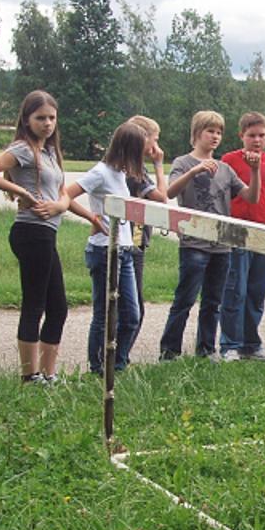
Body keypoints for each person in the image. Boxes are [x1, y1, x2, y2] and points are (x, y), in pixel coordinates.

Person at [0, 90, 102, 384]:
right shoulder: (23, 149)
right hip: (31, 233)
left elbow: (62, 196)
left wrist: (80, 213)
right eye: (40, 118)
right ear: (27, 120)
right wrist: (21, 193)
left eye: (52, 118)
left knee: (58, 308)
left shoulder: (49, 152)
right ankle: (29, 376)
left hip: (47, 233)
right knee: (35, 303)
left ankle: (48, 374)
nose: (47, 123)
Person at [62, 121, 163, 374]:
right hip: (104, 250)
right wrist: (91, 217)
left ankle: (117, 364)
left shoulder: (121, 173)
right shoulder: (101, 172)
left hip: (126, 249)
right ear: (128, 149)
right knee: (105, 313)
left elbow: (160, 199)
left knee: (132, 315)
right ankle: (98, 368)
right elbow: (65, 194)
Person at [159, 111, 258, 361]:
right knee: (185, 299)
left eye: (219, 132)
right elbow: (169, 193)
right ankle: (170, 351)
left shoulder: (225, 169)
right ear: (196, 134)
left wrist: (254, 171)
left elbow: (251, 197)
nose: (215, 136)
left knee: (213, 302)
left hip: (221, 245)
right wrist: (195, 172)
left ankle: (206, 350)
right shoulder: (183, 162)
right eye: (210, 131)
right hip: (194, 244)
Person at [219, 112, 265, 361]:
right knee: (235, 290)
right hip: (237, 233)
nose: (257, 140)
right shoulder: (229, 160)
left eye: (261, 135)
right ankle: (230, 344)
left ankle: (251, 342)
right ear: (242, 136)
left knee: (257, 291)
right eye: (252, 135)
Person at [125, 115, 169, 327]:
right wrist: (159, 164)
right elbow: (162, 197)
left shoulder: (134, 167)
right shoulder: (134, 172)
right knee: (133, 308)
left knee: (132, 305)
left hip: (136, 239)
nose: (156, 146)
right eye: (155, 139)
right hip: (132, 241)